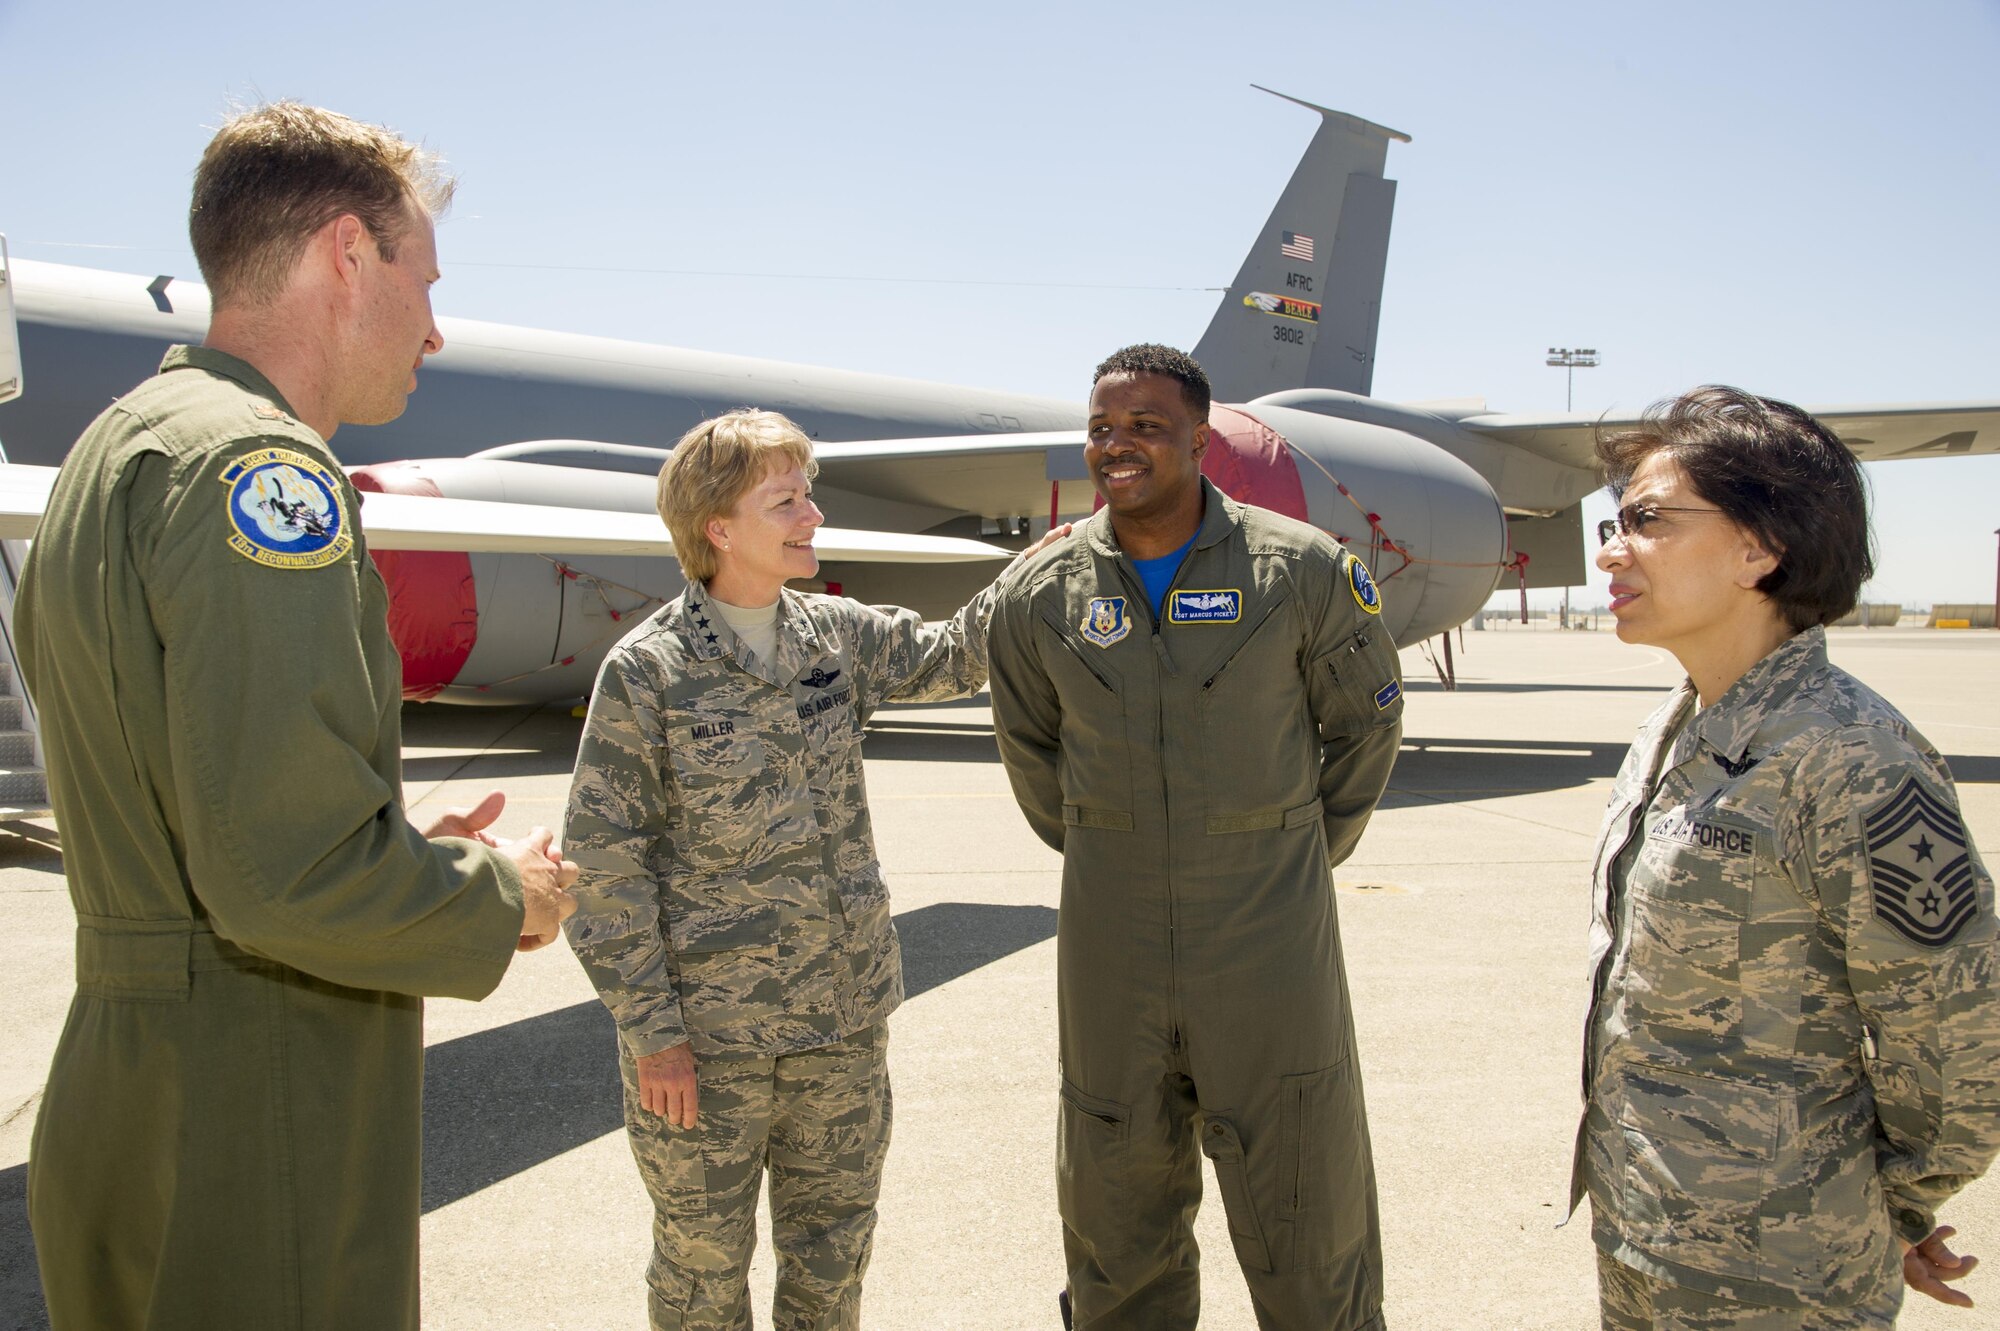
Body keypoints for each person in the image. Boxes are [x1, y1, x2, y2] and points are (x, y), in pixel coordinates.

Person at [16, 102, 578, 1331]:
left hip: (137, 1086)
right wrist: (502, 892)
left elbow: (198, 797)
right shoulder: (260, 476)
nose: (433, 328)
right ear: (344, 254)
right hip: (251, 1117)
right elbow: (285, 881)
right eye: (422, 280)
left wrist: (385, 831)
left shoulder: (118, 449)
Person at [562, 407, 1067, 1331]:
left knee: (833, 1259)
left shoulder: (836, 635)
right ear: (719, 527)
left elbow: (958, 654)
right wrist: (653, 1034)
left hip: (841, 1023)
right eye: (786, 500)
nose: (813, 516)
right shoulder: (650, 672)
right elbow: (604, 867)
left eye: (808, 494)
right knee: (702, 1276)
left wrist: (1044, 565)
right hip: (707, 1045)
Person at [986, 343, 1405, 1330]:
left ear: (1199, 439)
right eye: (1099, 426)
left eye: (1144, 425)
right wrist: (1118, 845)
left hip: (1266, 941)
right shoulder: (1038, 592)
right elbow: (1032, 752)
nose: (1115, 445)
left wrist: (1285, 848)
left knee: (1306, 1201)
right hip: (1110, 944)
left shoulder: (1297, 570)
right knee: (1111, 1196)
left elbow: (1362, 726)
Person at [1574, 385, 2000, 1328]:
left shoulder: (1855, 758)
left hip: (1778, 1273)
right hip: (1649, 1239)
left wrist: (1885, 1203)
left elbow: (1959, 1041)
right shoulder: (1672, 731)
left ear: (1760, 548)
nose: (1609, 550)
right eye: (1615, 521)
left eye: (1646, 520)